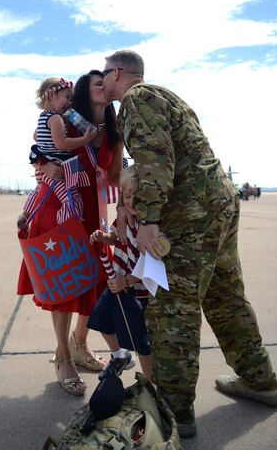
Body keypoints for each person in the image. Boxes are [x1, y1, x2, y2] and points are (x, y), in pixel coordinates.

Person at [102, 49, 277, 438]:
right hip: (218, 204)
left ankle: (174, 413)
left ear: (117, 72)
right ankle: (261, 381)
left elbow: (154, 159)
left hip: (190, 216)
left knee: (172, 310)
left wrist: (147, 219)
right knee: (225, 296)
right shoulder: (166, 95)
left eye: (104, 76)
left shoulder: (136, 99)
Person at [17, 70, 123, 396]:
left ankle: (80, 343)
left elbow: (117, 176)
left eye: (106, 82)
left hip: (95, 213)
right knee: (64, 283)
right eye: (97, 83)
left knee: (95, 283)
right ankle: (63, 356)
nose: (104, 86)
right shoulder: (68, 119)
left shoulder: (114, 131)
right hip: (63, 206)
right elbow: (40, 148)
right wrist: (42, 165)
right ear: (83, 91)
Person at [87, 164, 152, 382]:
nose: (131, 201)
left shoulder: (150, 225)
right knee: (101, 319)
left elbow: (150, 262)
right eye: (127, 196)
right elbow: (115, 237)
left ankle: (150, 381)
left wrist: (128, 280)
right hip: (116, 282)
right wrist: (104, 237)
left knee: (141, 341)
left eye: (136, 196)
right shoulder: (125, 219)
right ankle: (119, 355)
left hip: (137, 289)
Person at [18, 76, 97, 229]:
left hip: (43, 168)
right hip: (57, 167)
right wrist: (85, 138)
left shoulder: (43, 116)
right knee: (70, 196)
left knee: (37, 191)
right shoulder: (55, 118)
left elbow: (36, 136)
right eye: (67, 97)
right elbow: (62, 145)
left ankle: (25, 215)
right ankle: (68, 223)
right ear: (52, 95)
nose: (69, 102)